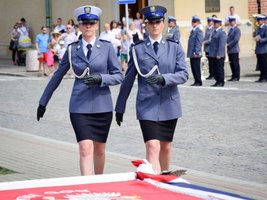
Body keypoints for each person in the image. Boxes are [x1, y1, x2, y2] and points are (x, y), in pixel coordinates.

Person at [36, 5, 123, 176]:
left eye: (92, 23)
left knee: (99, 150)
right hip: (79, 106)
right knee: (85, 148)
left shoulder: (107, 48)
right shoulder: (71, 49)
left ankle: (99, 185)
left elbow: (119, 76)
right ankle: (88, 189)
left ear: (97, 25)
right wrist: (43, 101)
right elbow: (56, 76)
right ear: (79, 26)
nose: (88, 26)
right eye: (84, 23)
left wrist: (101, 79)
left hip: (102, 106)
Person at [115, 5, 188, 173]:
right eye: (151, 22)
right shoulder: (138, 49)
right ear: (146, 25)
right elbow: (128, 80)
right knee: (152, 146)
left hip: (169, 104)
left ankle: (163, 179)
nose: (155, 25)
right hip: (147, 105)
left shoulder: (174, 46)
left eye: (158, 22)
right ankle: (153, 182)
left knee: (166, 146)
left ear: (163, 24)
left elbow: (184, 74)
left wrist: (165, 78)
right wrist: (120, 106)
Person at [254, 15, 267, 82]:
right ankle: (261, 77)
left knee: (265, 64)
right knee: (261, 64)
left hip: (264, 49)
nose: (259, 22)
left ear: (263, 21)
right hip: (259, 49)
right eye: (258, 20)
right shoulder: (258, 28)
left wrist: (260, 40)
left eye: (260, 20)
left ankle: (265, 77)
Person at [209, 18, 227, 87]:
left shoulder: (222, 32)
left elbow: (222, 44)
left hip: (219, 54)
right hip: (213, 54)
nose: (214, 24)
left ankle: (221, 81)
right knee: (215, 68)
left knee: (219, 68)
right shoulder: (215, 31)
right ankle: (217, 80)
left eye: (215, 23)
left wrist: (219, 54)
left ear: (219, 24)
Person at [187, 16, 203, 86]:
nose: (193, 23)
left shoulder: (198, 31)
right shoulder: (193, 30)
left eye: (195, 22)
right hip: (192, 52)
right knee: (193, 67)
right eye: (192, 22)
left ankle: (199, 81)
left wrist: (197, 52)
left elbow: (198, 42)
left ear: (198, 23)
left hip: (195, 53)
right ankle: (196, 80)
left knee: (196, 68)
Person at [227, 17, 241, 81]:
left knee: (235, 63)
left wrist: (229, 44)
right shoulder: (230, 30)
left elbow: (236, 39)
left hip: (234, 49)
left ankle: (236, 76)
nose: (230, 23)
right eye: (230, 22)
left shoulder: (237, 30)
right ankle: (233, 75)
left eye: (232, 22)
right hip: (230, 50)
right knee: (231, 63)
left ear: (234, 22)